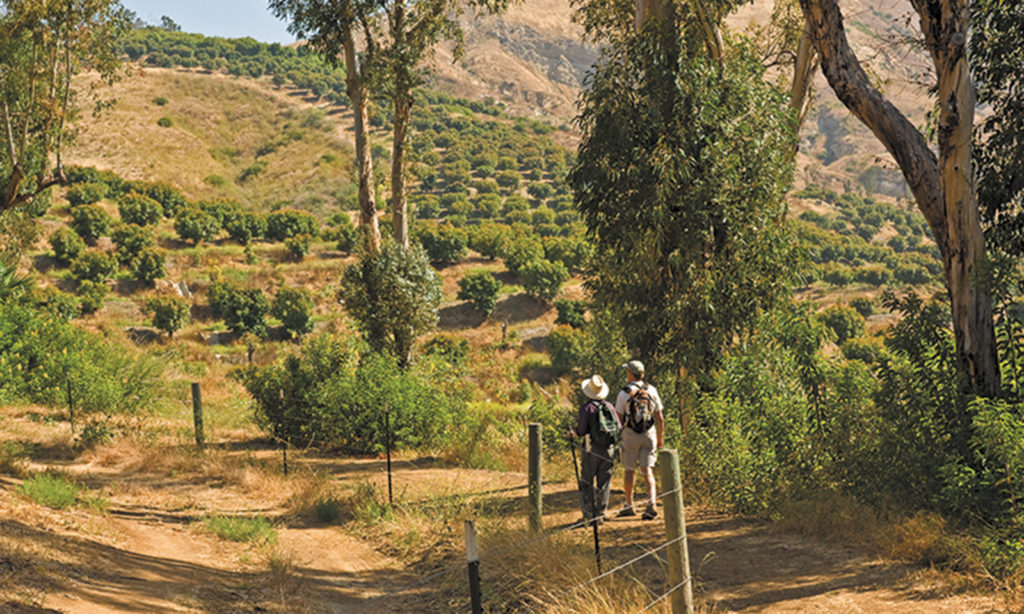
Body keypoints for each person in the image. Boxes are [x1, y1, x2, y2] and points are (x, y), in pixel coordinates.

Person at [614, 360, 664, 520]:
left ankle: (629, 505)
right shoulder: (652, 390)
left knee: (629, 470)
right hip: (649, 434)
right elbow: (660, 417)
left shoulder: (624, 393)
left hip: (630, 435)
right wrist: (660, 438)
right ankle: (651, 504)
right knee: (648, 470)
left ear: (630, 373)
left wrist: (621, 436)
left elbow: (619, 419)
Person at [568, 374, 620, 525]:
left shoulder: (587, 408)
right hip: (608, 450)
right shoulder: (609, 406)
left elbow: (582, 430)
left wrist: (574, 434)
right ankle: (601, 515)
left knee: (587, 481)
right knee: (604, 482)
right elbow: (619, 427)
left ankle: (589, 515)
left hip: (591, 448)